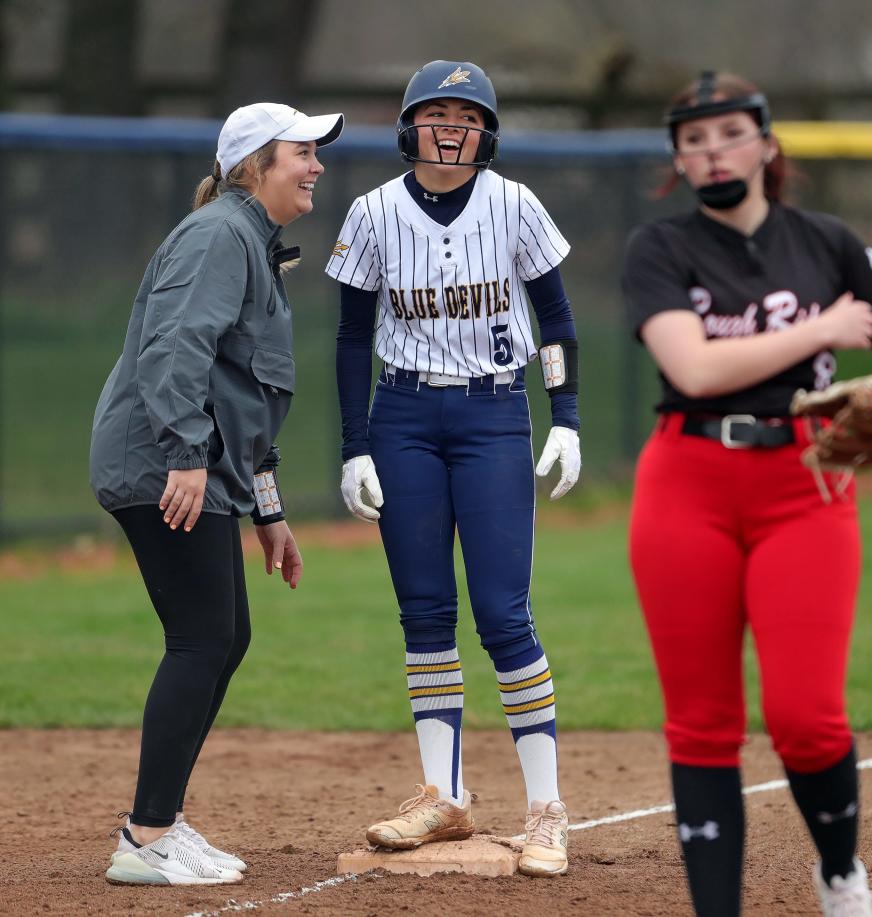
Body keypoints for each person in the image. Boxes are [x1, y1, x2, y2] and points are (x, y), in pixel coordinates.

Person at [622, 71, 872, 917]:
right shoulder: (660, 248)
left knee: (806, 716)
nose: (712, 150)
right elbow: (692, 367)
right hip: (686, 483)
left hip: (807, 483)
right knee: (701, 720)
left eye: (729, 133)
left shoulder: (829, 240)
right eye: (693, 140)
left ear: (766, 145)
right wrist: (825, 331)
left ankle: (841, 877)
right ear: (678, 162)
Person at [326, 60, 581, 877]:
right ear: (407, 125)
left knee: (504, 612)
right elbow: (351, 338)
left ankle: (546, 807)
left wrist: (566, 417)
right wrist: (354, 441)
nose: (450, 126)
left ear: (486, 132)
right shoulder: (371, 212)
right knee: (425, 610)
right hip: (402, 416)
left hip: (492, 412)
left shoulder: (514, 202)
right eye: (435, 110)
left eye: (466, 114)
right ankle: (444, 794)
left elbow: (557, 319)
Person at [90, 102, 344, 885]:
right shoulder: (219, 235)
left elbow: (244, 396)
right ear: (254, 165)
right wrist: (187, 454)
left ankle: (157, 821)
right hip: (162, 461)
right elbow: (177, 349)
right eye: (302, 151)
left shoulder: (248, 240)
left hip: (188, 459)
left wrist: (267, 508)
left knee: (223, 639)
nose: (317, 165)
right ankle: (147, 834)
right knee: (202, 639)